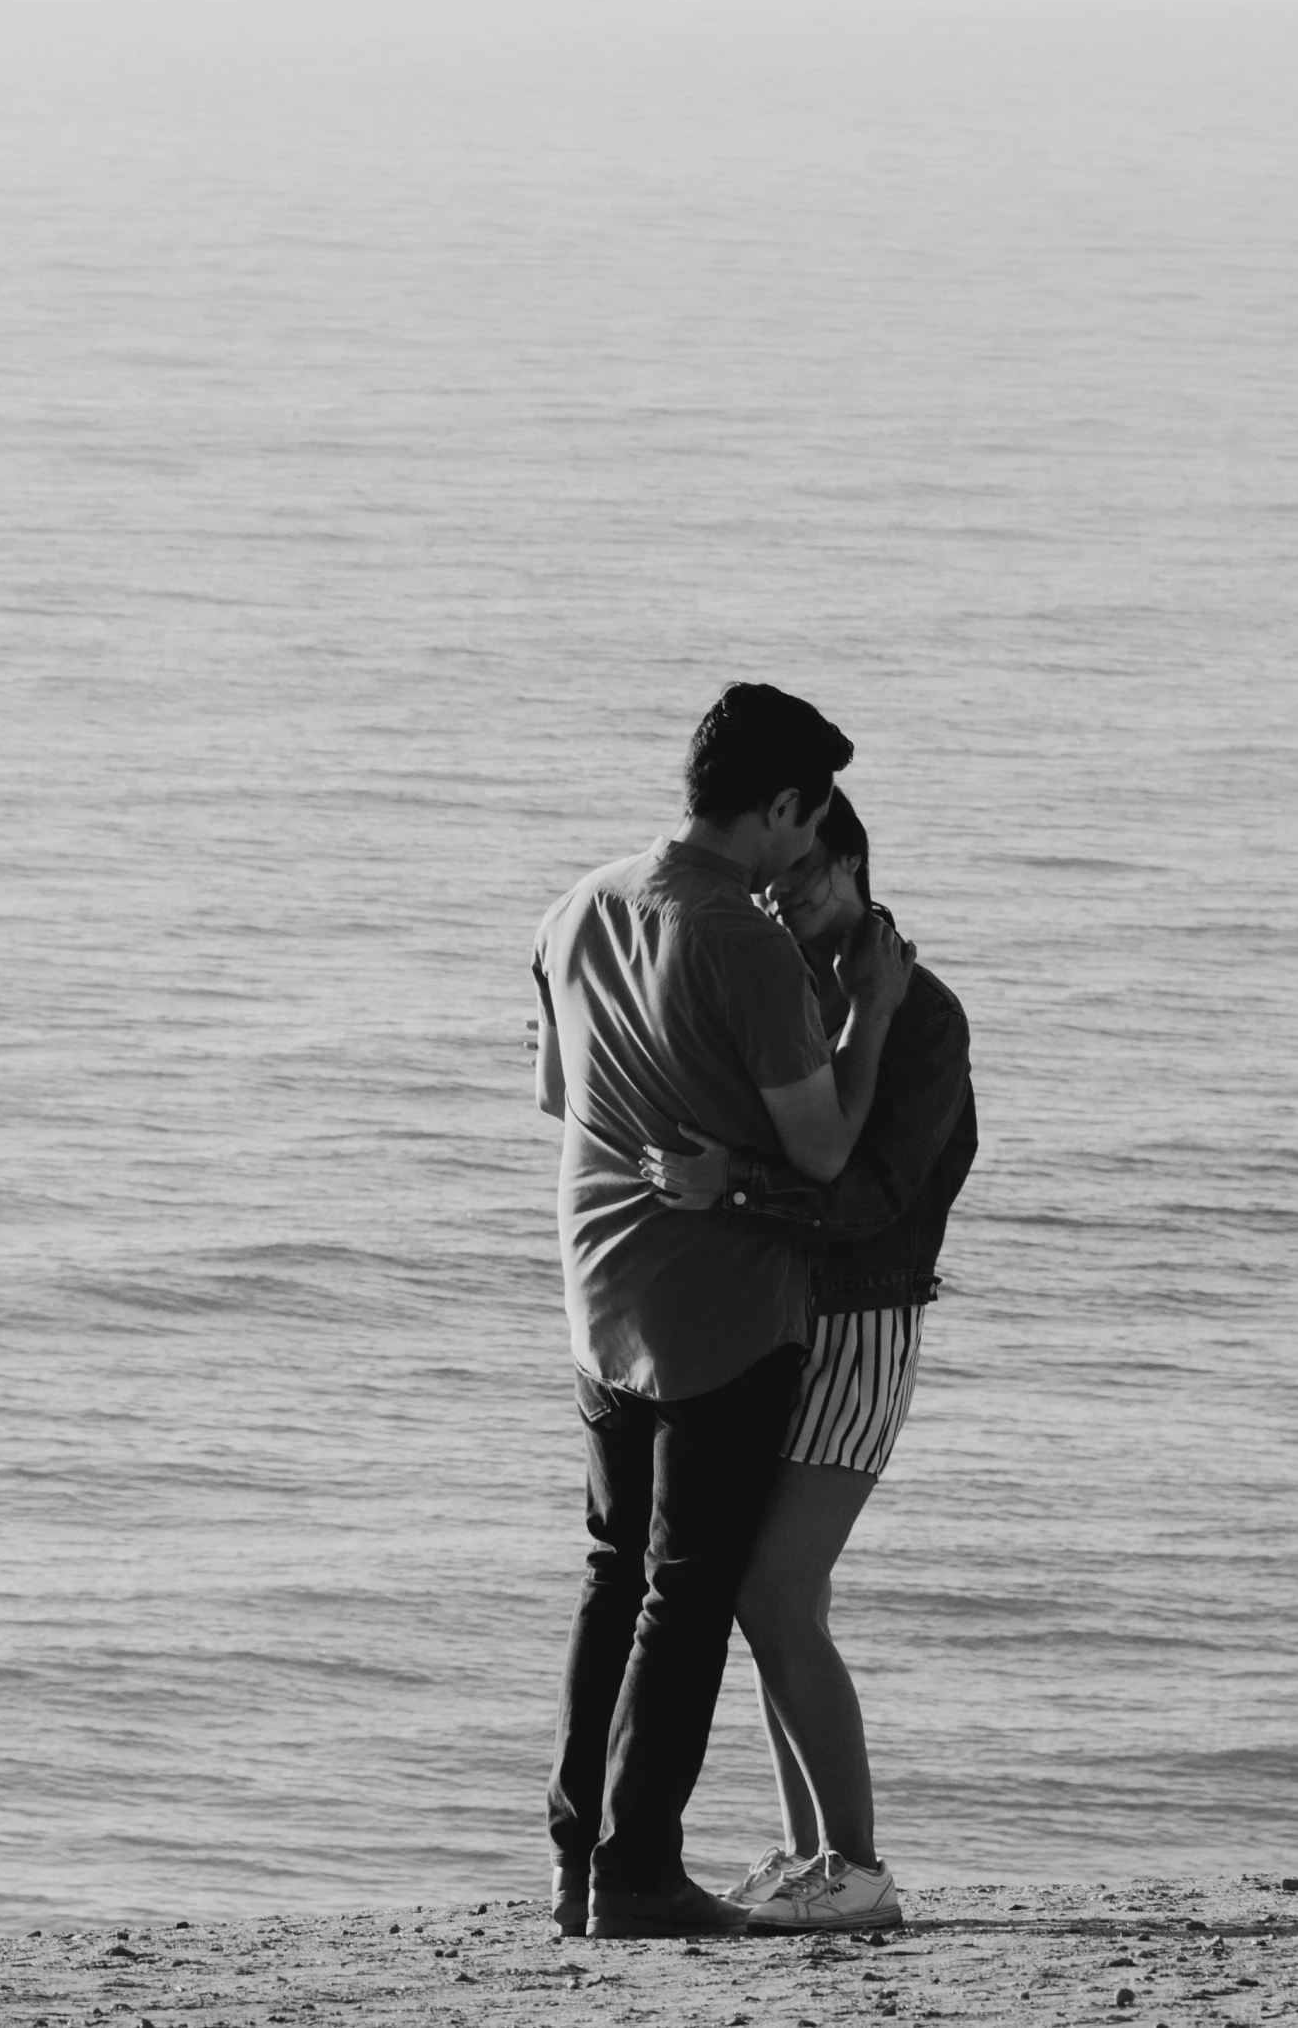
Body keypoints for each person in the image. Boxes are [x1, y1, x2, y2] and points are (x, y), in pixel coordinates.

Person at [531, 683, 915, 1942]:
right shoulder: (745, 945)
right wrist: (865, 1025)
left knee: (608, 1576)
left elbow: (559, 1094)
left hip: (598, 1290)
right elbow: (820, 1154)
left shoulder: (579, 902)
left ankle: (575, 1861)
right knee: (684, 1594)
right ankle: (640, 1873)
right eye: (802, 827)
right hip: (718, 1314)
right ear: (784, 807)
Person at [638, 788, 976, 1933]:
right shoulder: (790, 993)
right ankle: (809, 1852)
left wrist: (729, 1183)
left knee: (773, 1587)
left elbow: (874, 1198)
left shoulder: (919, 1014)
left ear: (855, 869)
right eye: (777, 885)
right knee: (777, 1597)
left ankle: (861, 1870)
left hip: (864, 1323)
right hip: (784, 1321)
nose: (788, 901)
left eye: (810, 881)